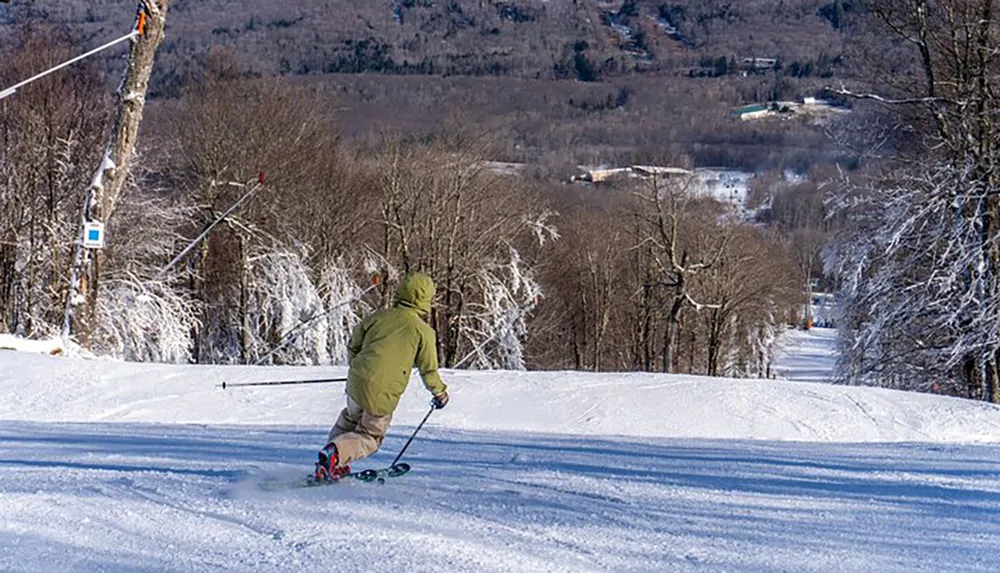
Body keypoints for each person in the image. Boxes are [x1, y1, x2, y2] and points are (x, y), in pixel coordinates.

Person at [315, 272, 449, 480]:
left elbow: (354, 345)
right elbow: (428, 369)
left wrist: (359, 368)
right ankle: (336, 455)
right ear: (425, 300)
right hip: (384, 391)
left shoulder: (376, 318)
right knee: (370, 436)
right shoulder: (423, 331)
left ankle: (330, 461)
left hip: (357, 382)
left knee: (350, 419)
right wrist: (440, 393)